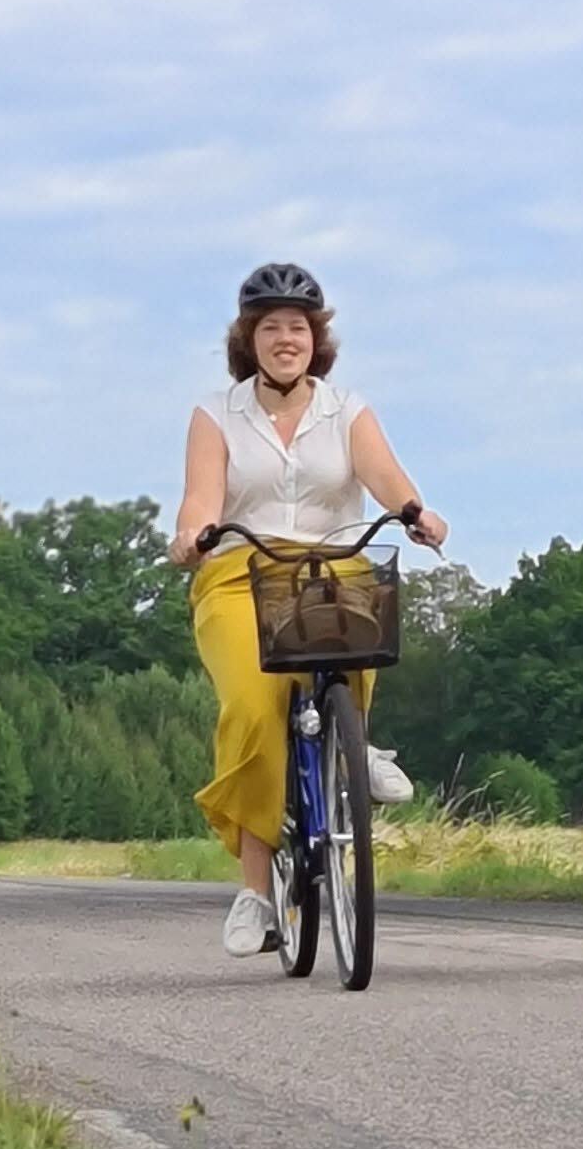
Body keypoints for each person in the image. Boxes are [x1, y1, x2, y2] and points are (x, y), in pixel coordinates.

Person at [170, 262, 449, 957]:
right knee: (253, 705)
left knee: (362, 628)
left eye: (297, 327)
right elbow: (202, 497)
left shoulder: (345, 409)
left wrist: (414, 511)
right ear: (249, 340)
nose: (285, 339)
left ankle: (356, 744)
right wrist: (191, 534)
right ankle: (256, 894)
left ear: (316, 339)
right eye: (270, 328)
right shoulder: (216, 414)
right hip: (242, 572)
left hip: (331, 565)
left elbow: (384, 475)